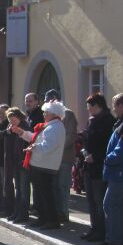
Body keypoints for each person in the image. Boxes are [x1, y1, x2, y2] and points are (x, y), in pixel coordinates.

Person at [11, 101, 66, 228]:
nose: (44, 114)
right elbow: (35, 138)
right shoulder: (49, 126)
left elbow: (48, 146)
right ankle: (43, 218)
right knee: (40, 194)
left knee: (45, 194)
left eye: (46, 112)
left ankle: (51, 220)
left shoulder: (55, 127)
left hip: (45, 165)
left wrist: (33, 147)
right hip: (40, 164)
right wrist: (22, 133)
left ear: (54, 114)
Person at [80, 94, 116, 242]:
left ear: (97, 105)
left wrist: (95, 156)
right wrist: (84, 150)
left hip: (100, 168)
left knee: (99, 201)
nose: (88, 109)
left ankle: (102, 231)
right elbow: (87, 139)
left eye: (89, 106)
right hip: (89, 166)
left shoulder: (109, 121)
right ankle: (94, 228)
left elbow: (109, 146)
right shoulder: (91, 121)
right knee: (91, 200)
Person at [97, 93, 123, 245]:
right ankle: (122, 238)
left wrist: (107, 159)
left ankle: (113, 240)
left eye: (115, 105)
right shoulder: (122, 122)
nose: (113, 108)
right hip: (121, 172)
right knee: (121, 206)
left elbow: (122, 150)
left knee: (110, 204)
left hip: (120, 172)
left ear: (122, 106)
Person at [44, 90, 78, 222]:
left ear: (54, 99)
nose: (46, 103)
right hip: (52, 157)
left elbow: (71, 135)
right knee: (54, 186)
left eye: (48, 100)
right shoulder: (49, 115)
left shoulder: (68, 114)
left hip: (64, 157)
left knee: (62, 186)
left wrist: (57, 148)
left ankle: (63, 213)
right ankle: (55, 212)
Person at [2, 108, 31, 223]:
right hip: (14, 162)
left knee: (24, 189)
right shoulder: (10, 128)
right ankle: (17, 211)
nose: (12, 123)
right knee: (18, 188)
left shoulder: (25, 128)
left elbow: (28, 142)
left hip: (23, 162)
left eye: (14, 120)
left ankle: (23, 213)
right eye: (10, 121)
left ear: (19, 118)